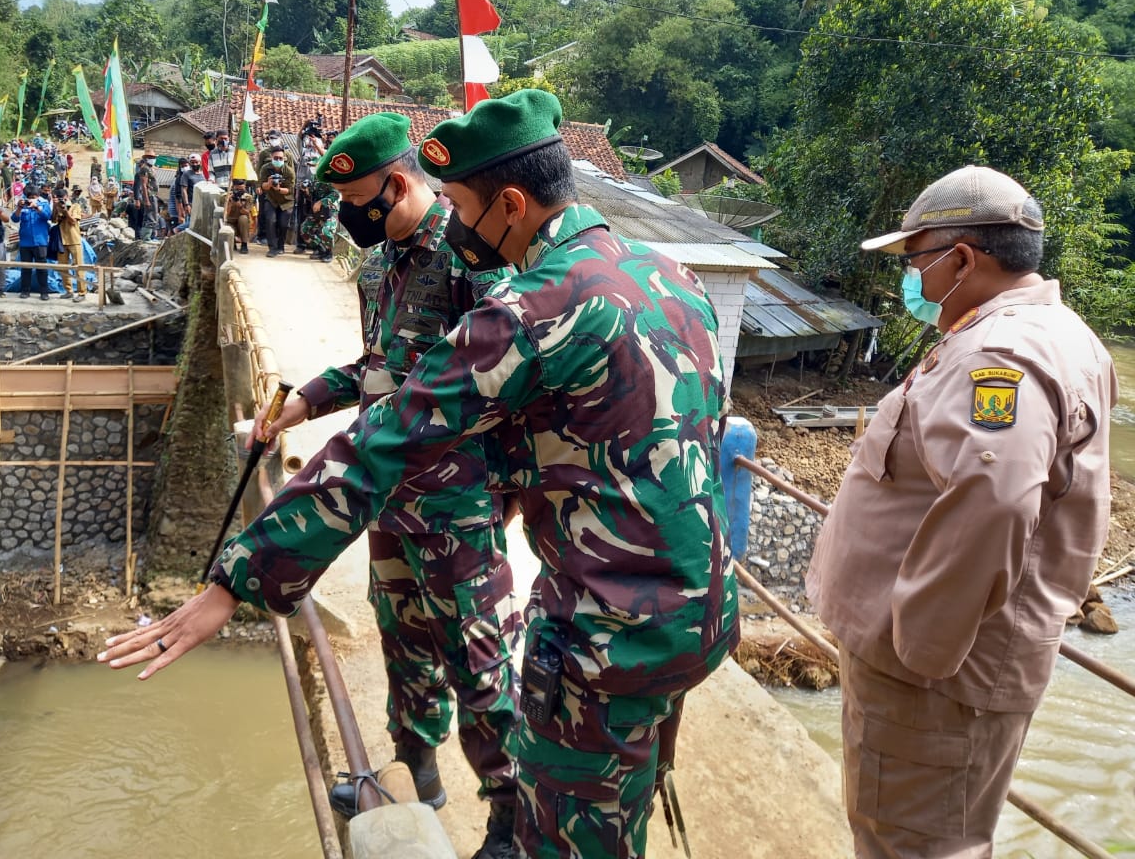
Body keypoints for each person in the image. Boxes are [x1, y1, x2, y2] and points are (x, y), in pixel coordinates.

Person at [98, 91, 739, 859]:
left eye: (464, 204)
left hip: (607, 632)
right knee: (612, 806)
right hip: (698, 611)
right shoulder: (672, 275)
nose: (458, 222)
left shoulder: (530, 307)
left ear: (509, 203)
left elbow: (383, 441)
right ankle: (439, 775)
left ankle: (508, 822)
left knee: (562, 829)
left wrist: (236, 580)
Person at [807, 165, 1117, 859]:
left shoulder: (1000, 355)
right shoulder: (1053, 335)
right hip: (949, 672)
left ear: (963, 259)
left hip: (933, 681)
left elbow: (996, 500)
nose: (911, 279)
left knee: (913, 843)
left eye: (917, 260)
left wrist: (920, 649)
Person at [277, 114, 522, 845]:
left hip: (457, 503)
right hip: (391, 496)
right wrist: (301, 402)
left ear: (400, 182)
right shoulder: (380, 263)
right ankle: (417, 771)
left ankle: (509, 817)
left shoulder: (473, 260)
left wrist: (502, 495)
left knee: (478, 661)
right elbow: (374, 367)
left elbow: (510, 385)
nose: (352, 216)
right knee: (403, 640)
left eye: (359, 200)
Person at [13, 190, 52, 300]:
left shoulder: (44, 204)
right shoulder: (23, 206)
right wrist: (19, 208)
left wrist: (36, 207)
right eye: (29, 197)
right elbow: (14, 219)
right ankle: (25, 291)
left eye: (34, 197)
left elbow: (48, 216)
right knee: (26, 268)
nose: (31, 199)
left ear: (38, 196)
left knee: (42, 268)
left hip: (40, 242)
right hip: (25, 242)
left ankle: (44, 292)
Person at [257, 146, 295, 257]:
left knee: (283, 224)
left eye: (280, 158)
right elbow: (262, 185)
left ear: (284, 159)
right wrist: (268, 184)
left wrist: (278, 188)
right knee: (270, 221)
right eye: (276, 158)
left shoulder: (289, 172)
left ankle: (281, 246)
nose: (278, 160)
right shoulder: (265, 168)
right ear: (271, 157)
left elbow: (289, 190)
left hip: (286, 201)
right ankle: (272, 248)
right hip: (271, 199)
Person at [53, 190, 87, 302]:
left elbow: (73, 221)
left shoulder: (75, 206)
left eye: (62, 197)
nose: (62, 199)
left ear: (67, 197)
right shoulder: (57, 207)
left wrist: (65, 211)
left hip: (74, 239)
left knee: (79, 267)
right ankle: (69, 291)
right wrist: (55, 206)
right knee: (63, 268)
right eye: (59, 198)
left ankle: (82, 293)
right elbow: (53, 220)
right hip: (61, 241)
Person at [224, 178, 254, 254]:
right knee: (227, 226)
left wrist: (240, 206)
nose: (239, 191)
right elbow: (225, 214)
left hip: (242, 225)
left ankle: (244, 244)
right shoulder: (227, 196)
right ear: (233, 187)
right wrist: (230, 203)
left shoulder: (248, 197)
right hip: (230, 222)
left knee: (243, 218)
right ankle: (232, 243)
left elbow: (247, 213)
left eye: (241, 189)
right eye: (237, 189)